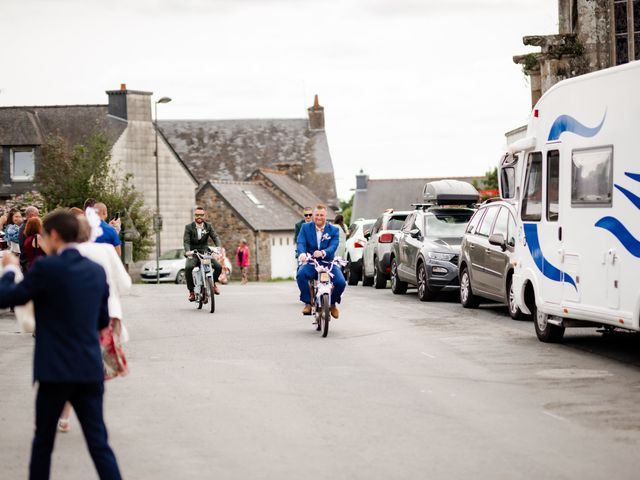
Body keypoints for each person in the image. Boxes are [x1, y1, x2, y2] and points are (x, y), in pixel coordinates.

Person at [0, 210, 122, 480]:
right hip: (89, 367)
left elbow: (8, 297)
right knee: (98, 443)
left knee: (43, 443)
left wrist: (9, 269)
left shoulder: (45, 268)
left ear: (54, 235)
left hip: (54, 370)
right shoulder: (95, 270)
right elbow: (102, 319)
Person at [57, 211, 132, 433]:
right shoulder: (106, 250)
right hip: (106, 316)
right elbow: (125, 283)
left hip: (74, 317)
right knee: (96, 368)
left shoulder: (68, 252)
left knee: (75, 365)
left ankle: (65, 415)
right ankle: (92, 418)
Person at [296, 204, 346, 318]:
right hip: (311, 262)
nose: (319, 217)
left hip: (328, 263)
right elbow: (301, 242)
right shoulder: (305, 227)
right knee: (301, 275)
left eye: (321, 215)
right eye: (317, 215)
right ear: (313, 215)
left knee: (341, 282)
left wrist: (323, 252)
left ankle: (332, 304)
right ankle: (308, 302)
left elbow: (333, 246)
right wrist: (302, 254)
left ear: (326, 216)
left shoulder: (333, 230)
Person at [183, 207, 222, 302]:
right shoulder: (188, 227)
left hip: (205, 252)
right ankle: (191, 292)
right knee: (188, 268)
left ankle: (213, 284)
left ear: (204, 216)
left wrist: (218, 248)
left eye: (201, 215)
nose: (199, 217)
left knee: (218, 267)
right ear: (194, 216)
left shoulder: (208, 226)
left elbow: (215, 237)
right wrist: (188, 251)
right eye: (197, 215)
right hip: (193, 253)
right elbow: (186, 241)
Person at [19, 206, 40, 271]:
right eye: (37, 216)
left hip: (25, 261)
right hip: (28, 263)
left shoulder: (23, 226)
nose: (38, 218)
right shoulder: (28, 228)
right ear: (32, 216)